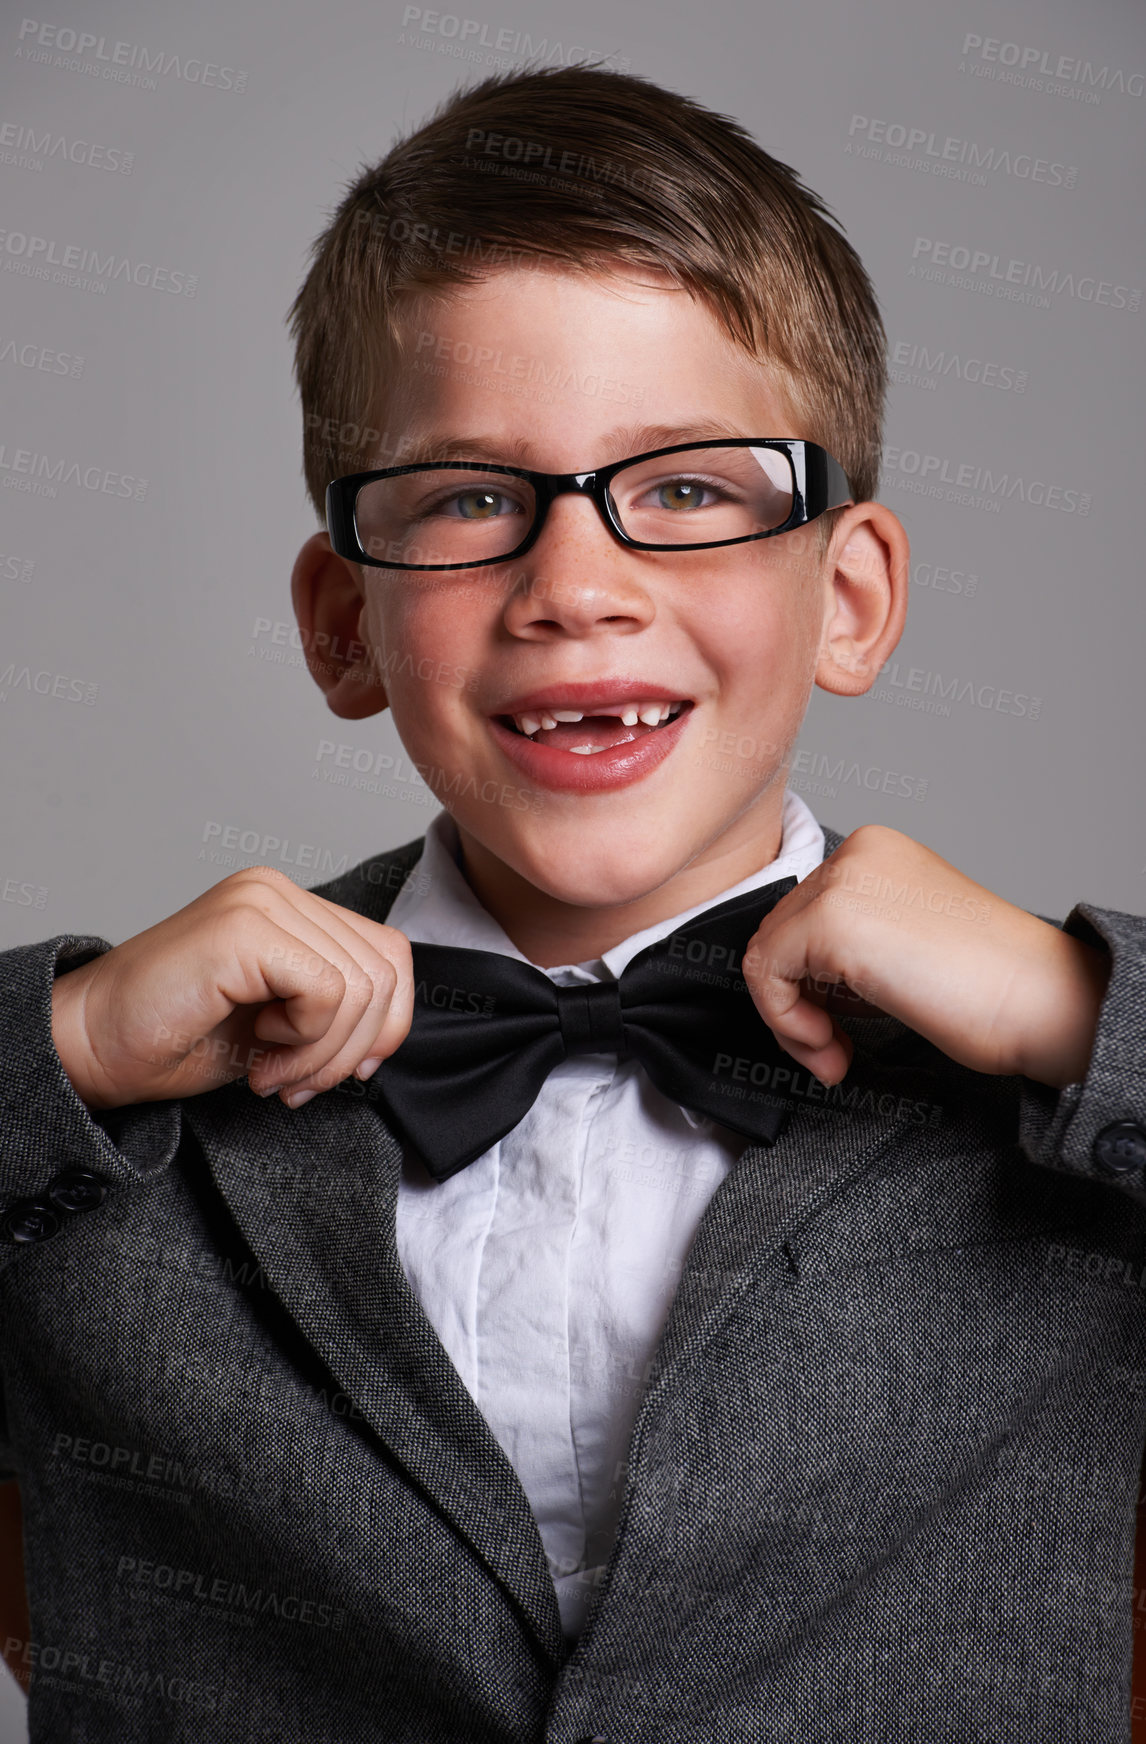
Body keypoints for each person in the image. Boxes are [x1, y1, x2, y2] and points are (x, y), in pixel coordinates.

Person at [2, 61, 1145, 1743]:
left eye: (686, 487)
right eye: (470, 498)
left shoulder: (1056, 1076)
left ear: (848, 594)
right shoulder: (110, 1115)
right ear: (340, 621)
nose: (576, 587)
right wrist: (66, 1041)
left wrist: (1081, 1014)